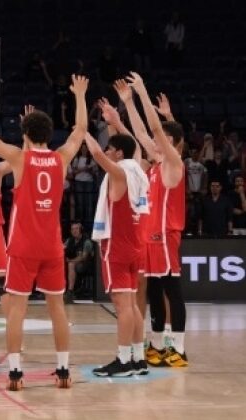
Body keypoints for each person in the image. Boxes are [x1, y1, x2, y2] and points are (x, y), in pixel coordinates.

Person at [0, 74, 89, 390]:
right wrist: (80, 95)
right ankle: (64, 370)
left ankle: (15, 373)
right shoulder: (61, 158)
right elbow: (80, 131)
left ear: (25, 134)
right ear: (49, 134)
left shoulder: (19, 157)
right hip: (52, 247)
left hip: (23, 248)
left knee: (17, 311)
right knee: (57, 310)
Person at [124, 72, 188, 368]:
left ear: (171, 141)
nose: (154, 140)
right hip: (150, 235)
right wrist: (128, 103)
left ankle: (179, 347)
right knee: (153, 290)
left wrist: (142, 92)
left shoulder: (173, 163)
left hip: (166, 234)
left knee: (171, 290)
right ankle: (159, 344)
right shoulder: (155, 163)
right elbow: (140, 131)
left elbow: (152, 128)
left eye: (161, 137)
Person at [85, 132, 150, 377]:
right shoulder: (139, 171)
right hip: (135, 245)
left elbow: (97, 155)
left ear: (119, 153)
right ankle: (139, 358)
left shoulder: (120, 173)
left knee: (122, 307)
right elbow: (133, 149)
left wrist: (84, 132)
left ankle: (123, 361)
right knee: (132, 306)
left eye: (111, 148)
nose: (108, 151)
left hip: (117, 246)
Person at [63, 221, 94, 303]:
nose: (74, 231)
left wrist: (70, 260)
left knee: (71, 264)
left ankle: (70, 292)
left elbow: (83, 257)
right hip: (73, 263)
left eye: (76, 229)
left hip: (86, 265)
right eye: (72, 229)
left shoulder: (87, 242)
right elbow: (61, 249)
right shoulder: (69, 240)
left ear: (81, 230)